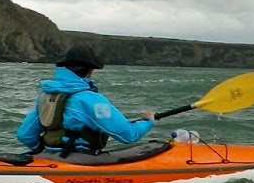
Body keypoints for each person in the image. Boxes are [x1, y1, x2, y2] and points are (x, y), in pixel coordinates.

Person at [16, 45, 155, 155]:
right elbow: (129, 135)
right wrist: (148, 121)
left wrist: (41, 151)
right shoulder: (91, 99)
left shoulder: (45, 96)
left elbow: (25, 135)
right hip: (79, 159)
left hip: (48, 155)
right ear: (90, 71)